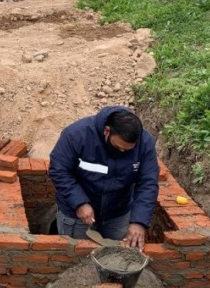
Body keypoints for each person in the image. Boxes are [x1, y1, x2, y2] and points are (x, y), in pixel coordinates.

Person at [49, 107, 159, 250]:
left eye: (128, 150)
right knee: (78, 257)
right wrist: (79, 203)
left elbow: (148, 184)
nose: (122, 152)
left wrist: (139, 221)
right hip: (76, 215)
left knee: (117, 256)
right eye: (118, 147)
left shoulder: (145, 143)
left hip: (117, 214)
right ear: (107, 131)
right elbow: (59, 170)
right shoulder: (77, 135)